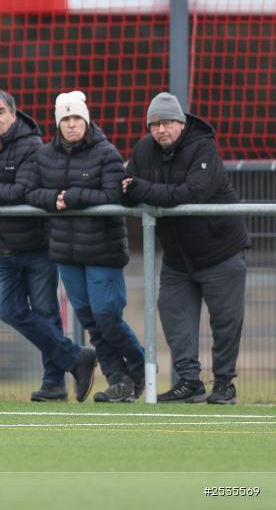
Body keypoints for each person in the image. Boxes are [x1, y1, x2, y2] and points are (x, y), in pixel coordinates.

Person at [0, 89, 96, 402]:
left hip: (37, 247)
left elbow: (24, 191)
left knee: (46, 313)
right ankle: (75, 357)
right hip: (2, 249)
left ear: (13, 115)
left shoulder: (31, 143)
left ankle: (54, 384)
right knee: (8, 310)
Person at [123, 92, 249, 404]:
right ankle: (189, 382)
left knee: (225, 321)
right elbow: (125, 187)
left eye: (166, 122)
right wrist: (136, 189)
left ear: (181, 123)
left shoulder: (203, 146)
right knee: (173, 315)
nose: (159, 130)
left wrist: (143, 190)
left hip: (220, 252)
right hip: (178, 258)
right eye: (153, 124)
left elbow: (194, 192)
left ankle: (224, 384)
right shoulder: (143, 149)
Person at [25, 91, 145, 403]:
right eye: (65, 119)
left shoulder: (106, 152)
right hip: (67, 252)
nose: (71, 124)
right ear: (58, 123)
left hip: (103, 251)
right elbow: (31, 191)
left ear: (86, 120)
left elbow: (112, 195)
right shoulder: (44, 155)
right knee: (91, 322)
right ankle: (117, 380)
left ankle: (139, 367)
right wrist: (53, 199)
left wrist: (72, 197)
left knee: (107, 317)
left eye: (77, 118)